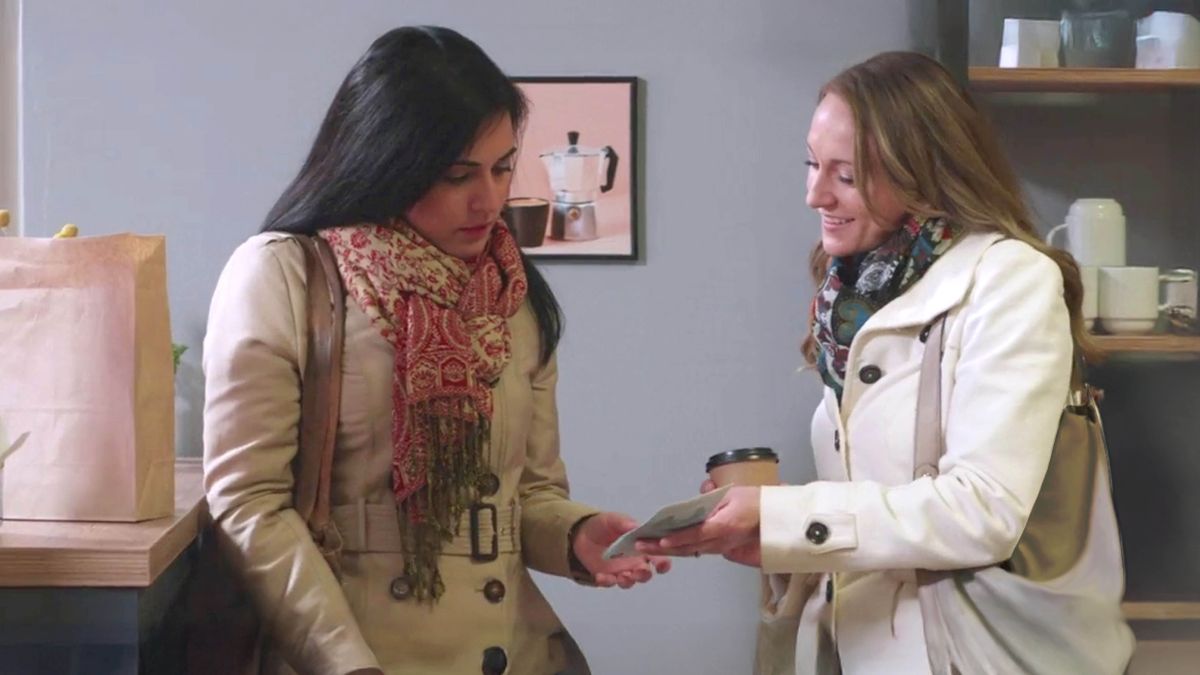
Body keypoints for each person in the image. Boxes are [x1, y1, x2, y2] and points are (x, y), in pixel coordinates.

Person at [637, 52, 1134, 674]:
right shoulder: (854, 294)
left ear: (922, 172)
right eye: (813, 164)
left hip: (967, 653)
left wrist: (787, 516)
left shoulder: (1009, 280)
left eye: (845, 175)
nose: (814, 193)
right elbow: (873, 506)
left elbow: (985, 512)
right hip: (856, 646)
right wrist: (774, 531)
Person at [202, 26, 669, 675]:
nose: (490, 199)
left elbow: (527, 492)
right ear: (387, 160)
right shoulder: (288, 274)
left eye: (503, 167)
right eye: (458, 175)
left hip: (517, 651)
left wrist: (576, 534)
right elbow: (249, 504)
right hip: (361, 652)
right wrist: (344, 661)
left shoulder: (510, 290)